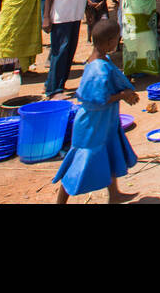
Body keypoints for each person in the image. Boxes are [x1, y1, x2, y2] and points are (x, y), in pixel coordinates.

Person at [51, 19, 138, 204]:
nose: (118, 42)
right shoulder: (98, 69)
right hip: (92, 126)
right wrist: (123, 95)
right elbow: (99, 99)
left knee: (109, 155)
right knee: (80, 165)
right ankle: (61, 201)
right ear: (109, 42)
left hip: (104, 123)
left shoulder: (100, 60)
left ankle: (114, 194)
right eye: (116, 39)